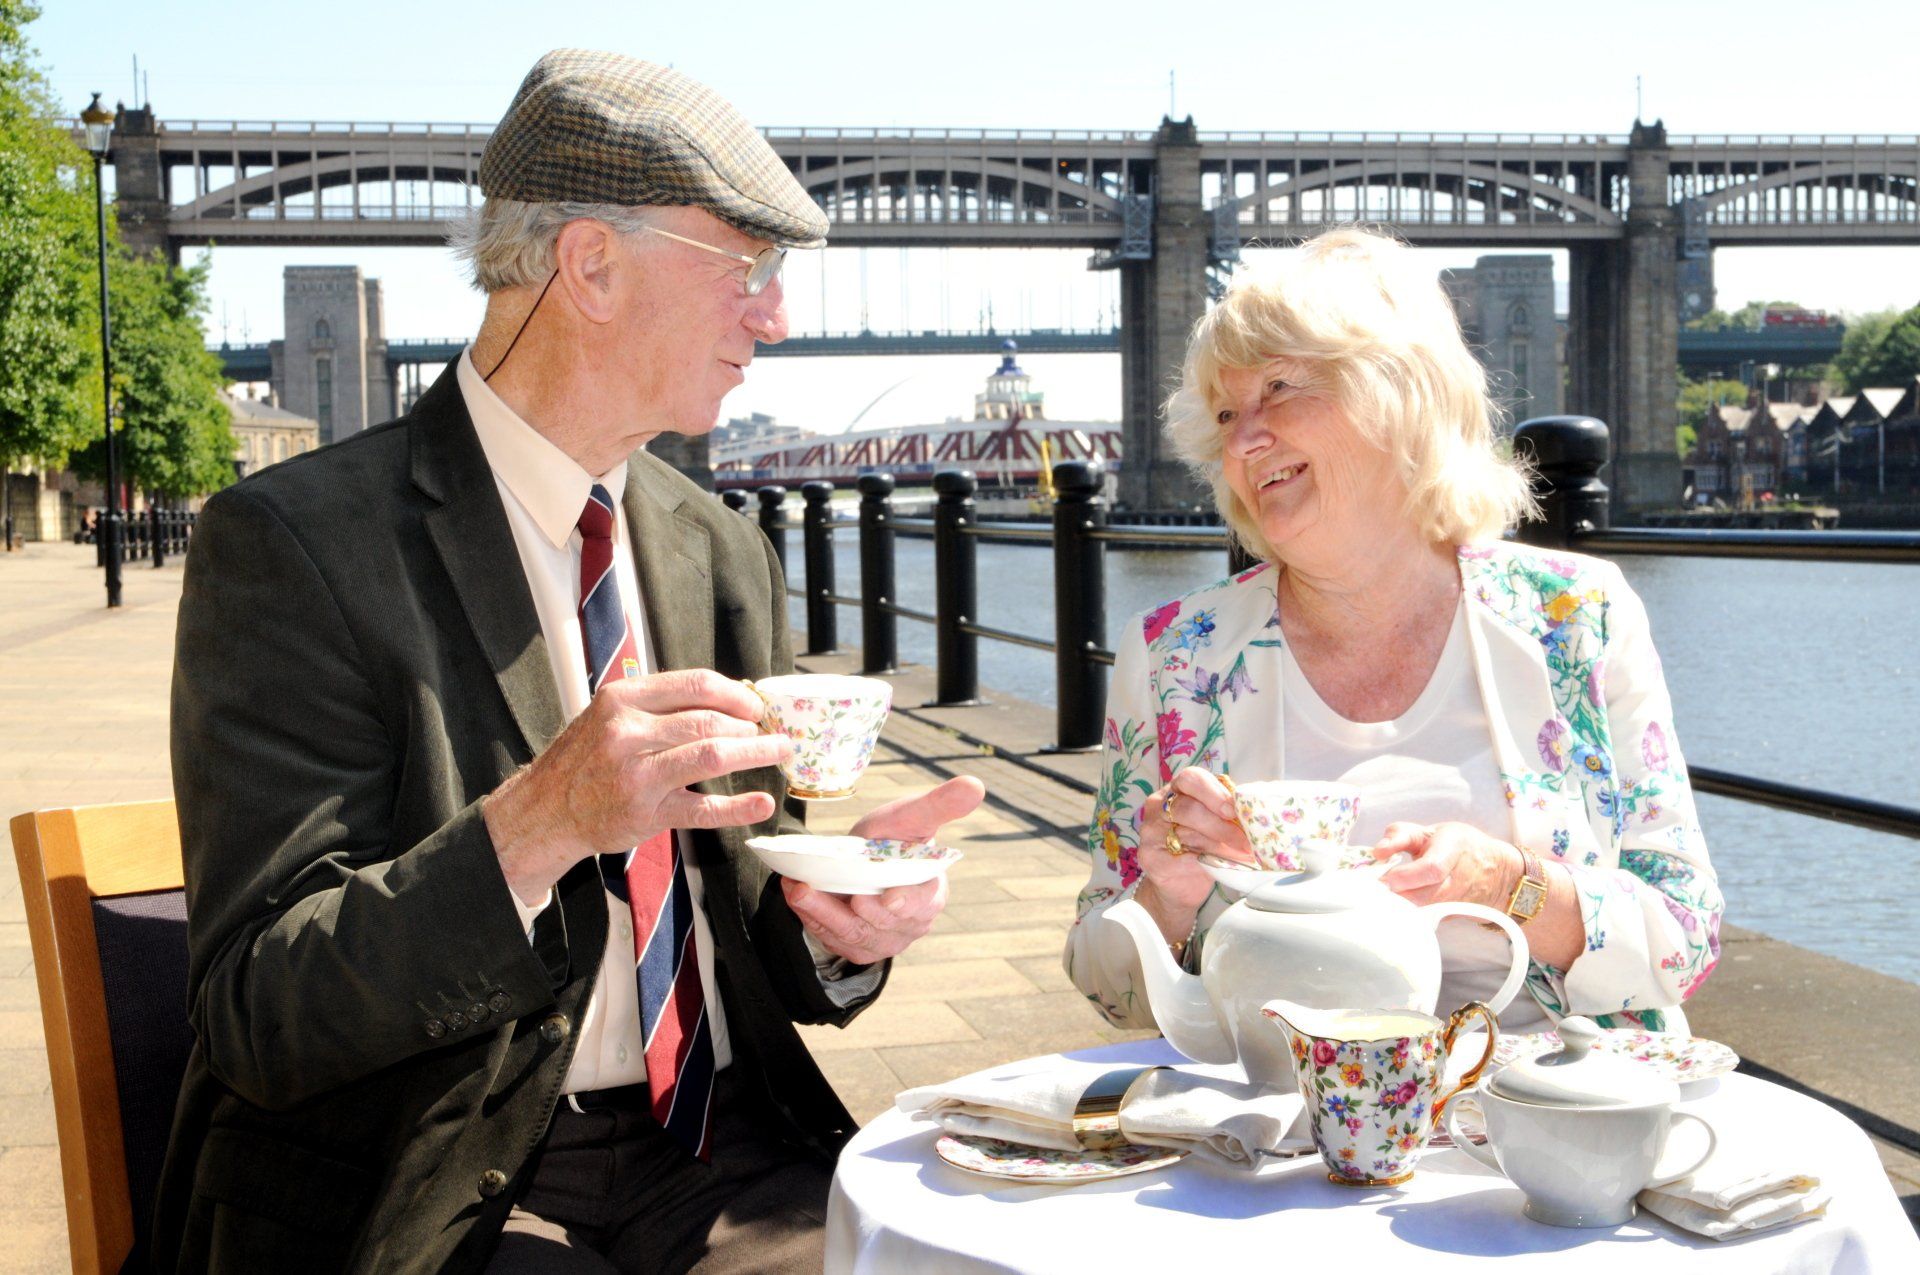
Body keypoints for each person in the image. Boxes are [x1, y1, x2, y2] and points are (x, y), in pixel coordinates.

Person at [153, 50, 981, 1275]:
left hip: (721, 1150)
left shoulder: (720, 550)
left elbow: (747, 916)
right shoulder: (294, 547)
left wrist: (837, 927)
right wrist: (536, 827)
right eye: (748, 269)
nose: (777, 318)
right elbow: (259, 1010)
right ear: (591, 265)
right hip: (430, 1180)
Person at [1064, 226, 1721, 1039]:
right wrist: (1167, 899)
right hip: (1287, 1102)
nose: (1242, 439)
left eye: (1279, 389)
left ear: (1399, 394)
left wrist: (1507, 884)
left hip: (1553, 1098)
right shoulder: (1173, 653)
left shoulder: (1577, 615)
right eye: (1227, 412)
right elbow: (1108, 988)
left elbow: (1686, 934)